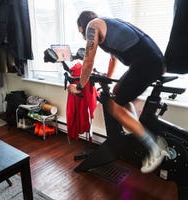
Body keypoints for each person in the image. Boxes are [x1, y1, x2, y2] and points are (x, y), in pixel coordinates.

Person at [67, 10, 169, 173]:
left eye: (81, 33)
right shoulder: (107, 24)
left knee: (113, 106)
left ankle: (154, 146)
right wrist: (107, 78)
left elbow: (88, 60)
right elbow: (113, 59)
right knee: (117, 91)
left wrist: (79, 87)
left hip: (146, 62)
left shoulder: (92, 26)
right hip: (152, 60)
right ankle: (137, 130)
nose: (83, 37)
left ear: (84, 25)